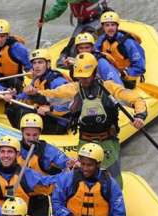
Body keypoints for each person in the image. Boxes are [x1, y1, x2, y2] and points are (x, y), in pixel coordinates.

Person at [23, 52, 147, 187]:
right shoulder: (74, 89)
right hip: (85, 141)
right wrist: (35, 94)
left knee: (113, 181)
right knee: (84, 180)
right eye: (80, 77)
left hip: (108, 141)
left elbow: (136, 100)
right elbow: (50, 95)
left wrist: (139, 115)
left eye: (86, 77)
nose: (83, 80)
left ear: (94, 72)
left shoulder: (109, 88)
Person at [0, 135, 54, 206]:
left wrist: (65, 176)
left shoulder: (26, 174)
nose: (6, 156)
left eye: (10, 152)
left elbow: (50, 183)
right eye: (2, 152)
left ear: (17, 154)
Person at [7, 49, 70, 134]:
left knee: (25, 113)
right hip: (43, 116)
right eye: (34, 63)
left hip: (58, 122)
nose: (37, 66)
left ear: (48, 64)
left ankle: (25, 136)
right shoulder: (37, 80)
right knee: (12, 108)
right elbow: (24, 96)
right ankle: (21, 134)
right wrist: (13, 97)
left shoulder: (57, 82)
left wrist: (50, 109)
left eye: (40, 62)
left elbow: (69, 104)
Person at [37, 0, 109, 66]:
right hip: (81, 23)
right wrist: (45, 18)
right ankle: (63, 65)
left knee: (84, 44)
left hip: (97, 20)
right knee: (70, 48)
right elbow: (59, 8)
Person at [95, 11, 146, 89]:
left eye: (113, 25)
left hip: (126, 77)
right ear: (103, 28)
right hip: (109, 73)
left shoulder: (128, 42)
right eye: (107, 25)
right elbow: (94, 53)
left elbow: (140, 67)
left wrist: (126, 72)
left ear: (117, 26)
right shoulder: (102, 40)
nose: (110, 28)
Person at [0, 19, 32, 91]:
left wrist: (33, 73)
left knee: (15, 82)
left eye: (2, 36)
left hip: (12, 82)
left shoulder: (18, 49)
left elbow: (29, 68)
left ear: (7, 35)